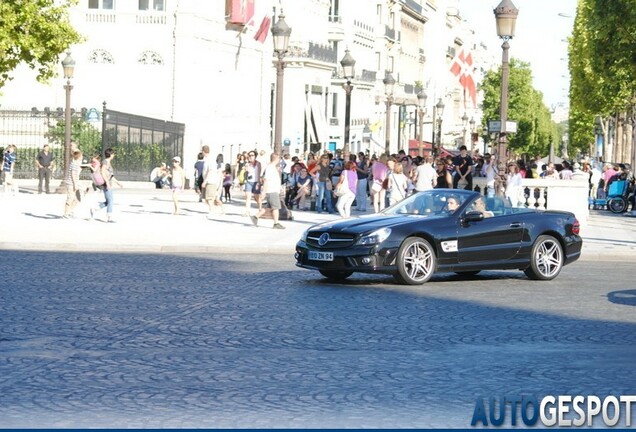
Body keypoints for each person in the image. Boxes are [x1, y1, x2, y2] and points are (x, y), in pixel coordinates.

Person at [251, 153, 285, 229]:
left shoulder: (272, 167)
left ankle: (255, 217)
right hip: (271, 190)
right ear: (276, 158)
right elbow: (266, 180)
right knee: (276, 207)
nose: (279, 160)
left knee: (267, 207)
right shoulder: (270, 168)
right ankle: (276, 223)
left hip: (273, 190)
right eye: (279, 158)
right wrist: (264, 192)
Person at [99, 147, 123, 222]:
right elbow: (102, 172)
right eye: (113, 153)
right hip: (106, 184)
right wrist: (106, 182)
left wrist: (118, 183)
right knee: (111, 201)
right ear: (110, 154)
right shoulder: (105, 162)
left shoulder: (108, 162)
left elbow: (110, 176)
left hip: (108, 183)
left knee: (108, 201)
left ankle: (95, 208)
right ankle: (109, 217)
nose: (114, 155)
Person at [203, 152, 225, 218]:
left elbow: (221, 175)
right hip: (217, 182)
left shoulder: (219, 165)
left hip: (217, 182)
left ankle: (222, 210)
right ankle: (217, 210)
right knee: (214, 198)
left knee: (216, 198)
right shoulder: (220, 165)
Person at [63, 149, 83, 219]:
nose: (82, 157)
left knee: (77, 199)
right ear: (79, 156)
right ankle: (66, 213)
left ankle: (70, 211)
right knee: (70, 198)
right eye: (81, 155)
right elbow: (73, 174)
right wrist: (75, 184)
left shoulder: (76, 164)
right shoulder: (74, 164)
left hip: (75, 183)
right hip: (71, 183)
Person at [244, 150, 262, 215]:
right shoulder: (247, 164)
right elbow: (246, 172)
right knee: (247, 196)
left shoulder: (258, 163)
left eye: (252, 155)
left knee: (257, 197)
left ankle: (260, 209)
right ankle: (247, 211)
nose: (251, 157)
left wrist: (259, 182)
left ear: (255, 156)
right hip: (248, 181)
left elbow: (259, 173)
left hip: (256, 182)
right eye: (250, 155)